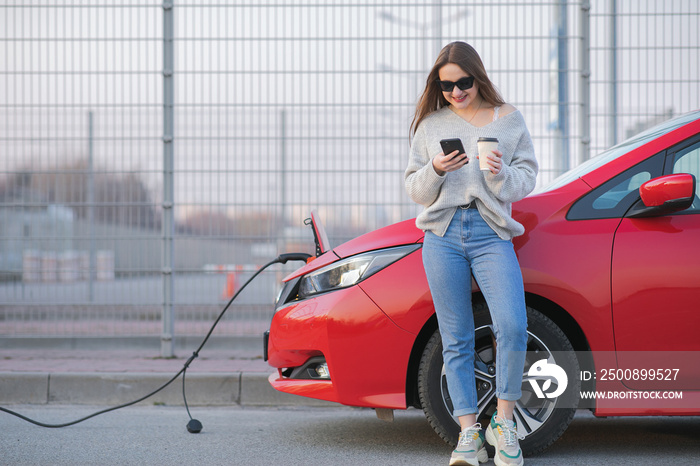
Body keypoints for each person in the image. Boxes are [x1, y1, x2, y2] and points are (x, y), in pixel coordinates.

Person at [405, 41, 538, 466]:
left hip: (490, 233)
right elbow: (415, 189)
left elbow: (527, 177)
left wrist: (500, 176)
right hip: (442, 234)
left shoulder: (509, 119)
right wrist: (436, 170)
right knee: (456, 337)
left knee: (512, 326)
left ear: (477, 77)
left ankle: (504, 425)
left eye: (463, 82)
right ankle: (468, 434)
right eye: (446, 86)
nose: (456, 92)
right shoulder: (430, 124)